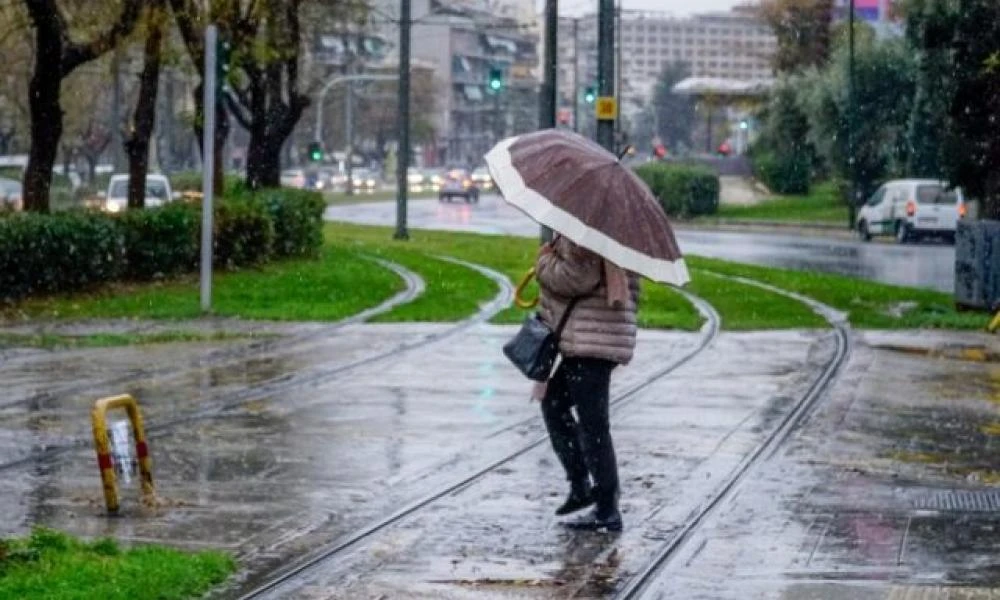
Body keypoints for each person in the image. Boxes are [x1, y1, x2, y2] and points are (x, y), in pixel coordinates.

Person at [533, 234, 639, 532]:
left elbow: (575, 279)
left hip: (592, 336)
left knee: (593, 423)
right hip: (598, 332)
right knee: (554, 403)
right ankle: (582, 485)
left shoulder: (585, 234)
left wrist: (543, 260)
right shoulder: (615, 232)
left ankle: (605, 506)